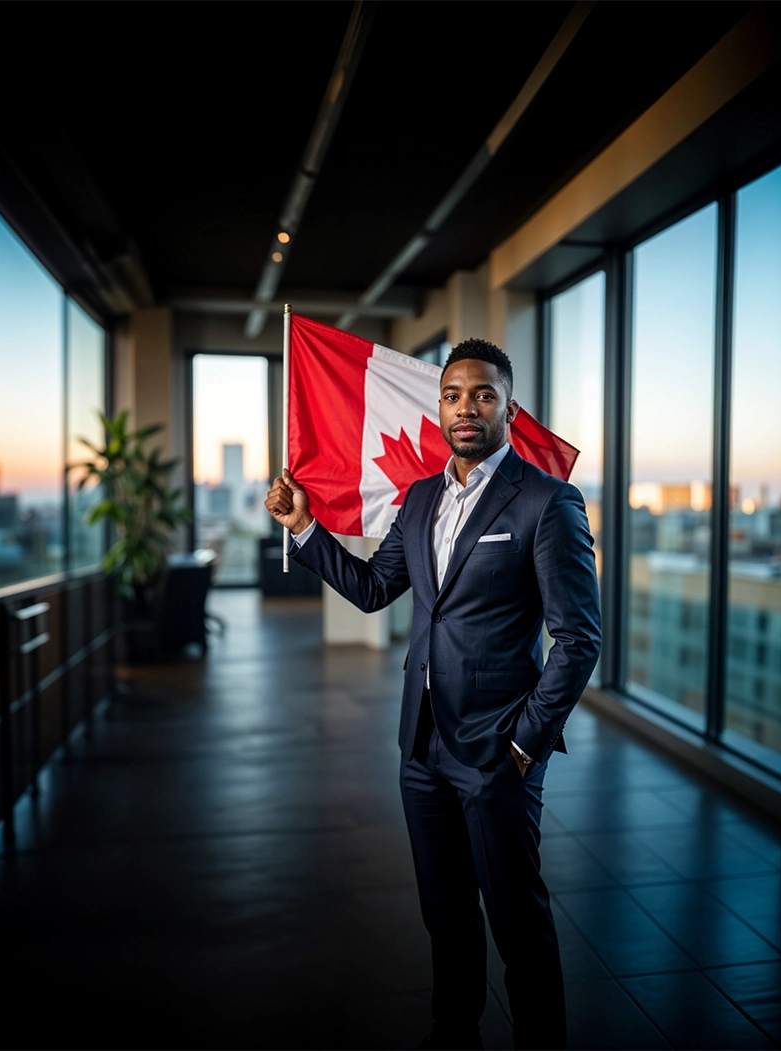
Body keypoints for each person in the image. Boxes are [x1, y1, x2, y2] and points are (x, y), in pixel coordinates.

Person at [265, 338, 602, 1050]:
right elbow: (371, 590)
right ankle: (455, 1031)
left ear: (508, 407)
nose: (466, 407)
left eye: (483, 394)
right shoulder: (419, 499)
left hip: (497, 750)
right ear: (438, 405)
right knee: (446, 913)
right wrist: (303, 525)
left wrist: (523, 742)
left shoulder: (547, 502)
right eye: (453, 395)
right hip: (421, 746)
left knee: (516, 920)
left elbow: (579, 640)